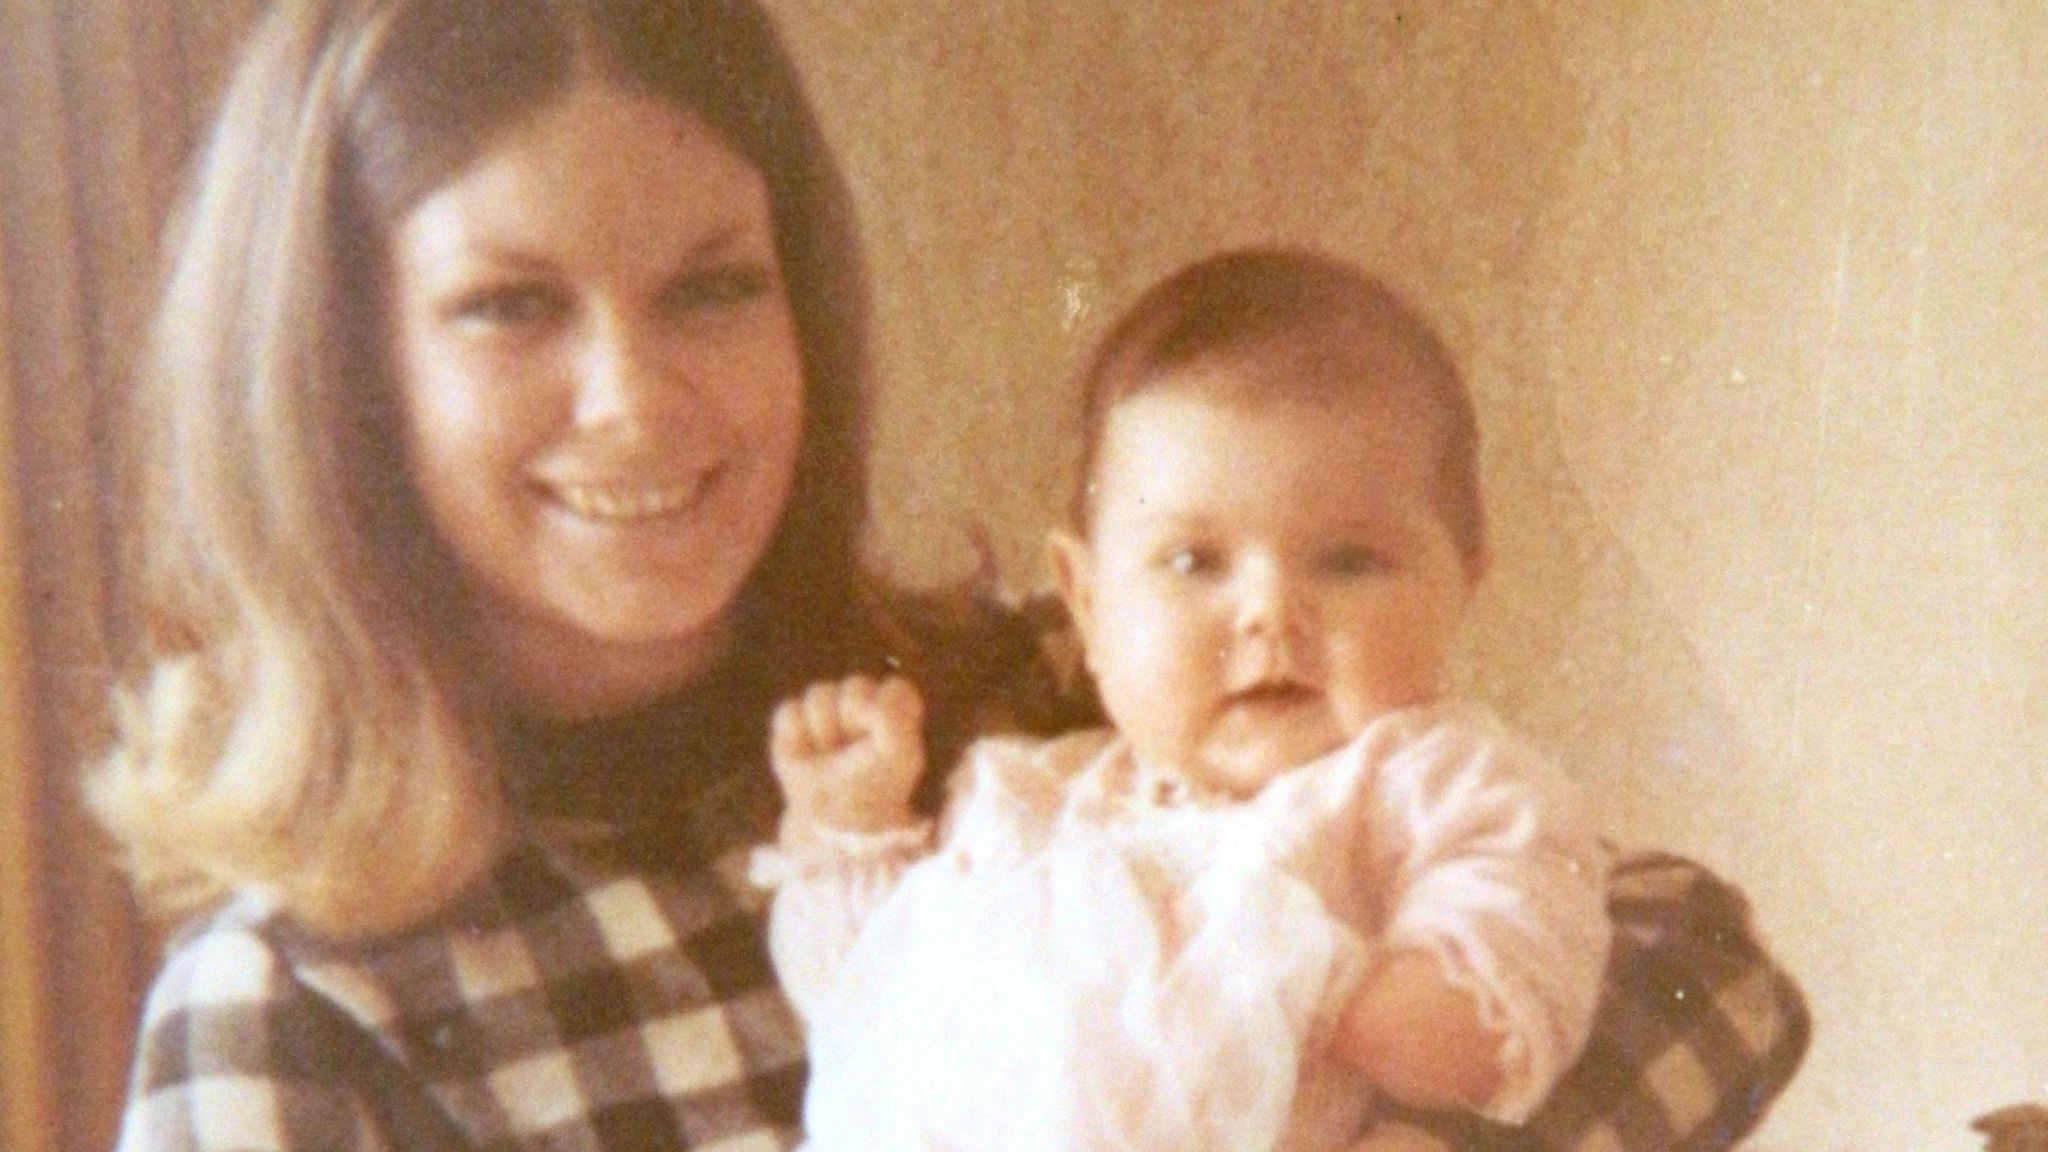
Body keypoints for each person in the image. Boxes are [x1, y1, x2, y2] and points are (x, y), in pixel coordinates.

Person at [88, 1, 1807, 1150]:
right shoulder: (299, 1012)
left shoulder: (1009, 717)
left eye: (711, 289)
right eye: (508, 305)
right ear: (341, 372)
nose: (638, 399)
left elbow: (1704, 969)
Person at [755, 249, 1613, 1152]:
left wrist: (1302, 977)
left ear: (1462, 583)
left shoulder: (1439, 784)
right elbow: (862, 1009)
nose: (1270, 614)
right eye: (1193, 561)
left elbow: (1491, 1026)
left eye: (1349, 560)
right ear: (1086, 598)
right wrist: (852, 834)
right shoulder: (1029, 798)